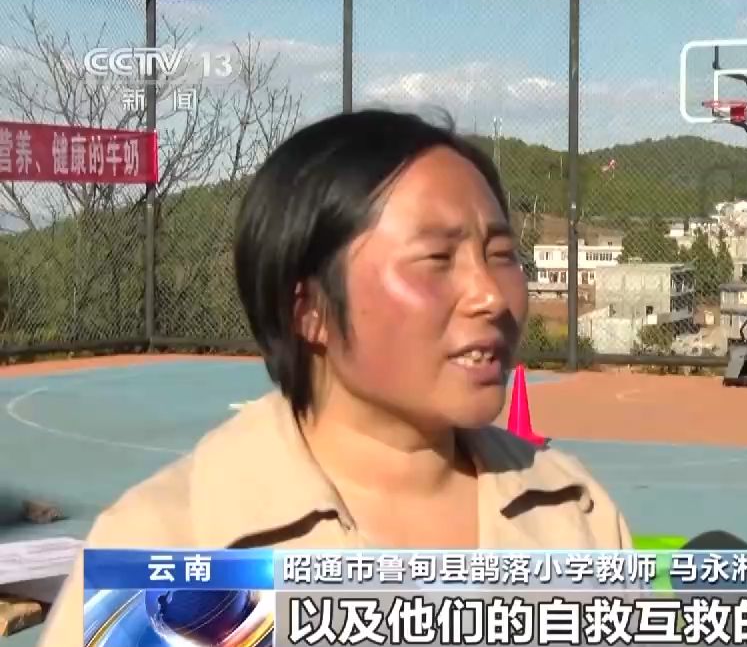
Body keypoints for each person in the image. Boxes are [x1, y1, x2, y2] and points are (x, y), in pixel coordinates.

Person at [37, 109, 632, 646]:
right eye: (437, 259)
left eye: (501, 256)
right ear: (309, 310)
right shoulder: (166, 548)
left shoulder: (575, 512)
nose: (490, 295)